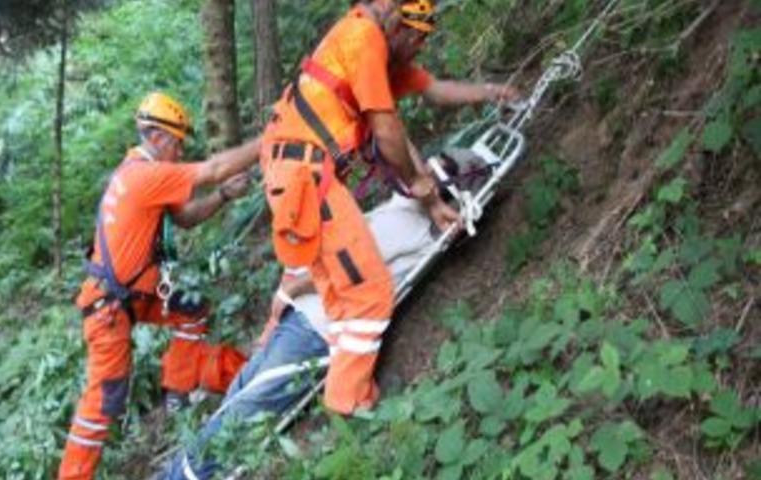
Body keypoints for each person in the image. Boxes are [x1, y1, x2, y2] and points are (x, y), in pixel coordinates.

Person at [160, 148, 488, 480]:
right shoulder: (402, 211)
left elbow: (344, 266)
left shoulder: (407, 223)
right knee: (236, 404)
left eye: (433, 171)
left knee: (241, 415)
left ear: (444, 192)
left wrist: (289, 291)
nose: (420, 173)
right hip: (307, 320)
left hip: (316, 328)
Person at [259, 0, 519, 416]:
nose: (419, 49)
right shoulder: (366, 42)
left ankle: (344, 384)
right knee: (371, 293)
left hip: (298, 174)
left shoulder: (372, 53)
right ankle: (350, 401)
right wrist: (423, 190)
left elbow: (430, 93)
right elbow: (387, 133)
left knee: (346, 297)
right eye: (417, 40)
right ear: (399, 28)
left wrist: (491, 93)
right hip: (305, 177)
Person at [59, 92, 261, 480]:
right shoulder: (145, 175)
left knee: (191, 308)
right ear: (157, 137)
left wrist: (221, 196)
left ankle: (178, 388)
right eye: (178, 141)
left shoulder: (139, 171)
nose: (181, 149)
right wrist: (266, 142)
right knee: (105, 399)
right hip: (111, 307)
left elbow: (185, 217)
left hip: (133, 296)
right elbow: (215, 167)